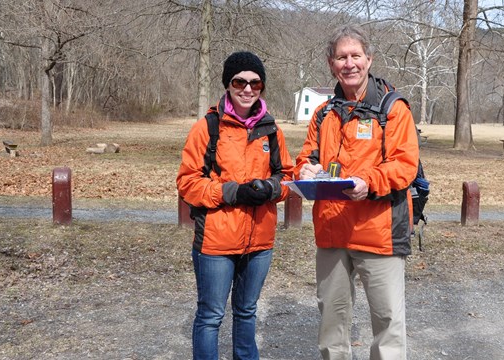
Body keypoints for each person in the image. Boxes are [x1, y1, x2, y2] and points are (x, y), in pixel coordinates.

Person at [294, 25, 420, 359]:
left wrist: (369, 182)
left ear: (369, 59)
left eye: (356, 56)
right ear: (331, 63)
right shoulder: (323, 114)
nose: (349, 64)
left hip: (378, 233)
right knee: (332, 324)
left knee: (388, 323)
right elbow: (307, 157)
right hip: (333, 232)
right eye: (341, 57)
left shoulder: (393, 109)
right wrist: (303, 169)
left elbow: (404, 165)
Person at [177, 51, 294, 360]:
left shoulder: (271, 129)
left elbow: (288, 177)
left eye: (255, 83)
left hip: (259, 242)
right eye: (239, 81)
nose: (247, 89)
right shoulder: (208, 128)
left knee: (246, 311)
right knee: (211, 316)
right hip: (216, 243)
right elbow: (187, 182)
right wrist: (233, 192)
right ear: (227, 84)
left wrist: (269, 188)